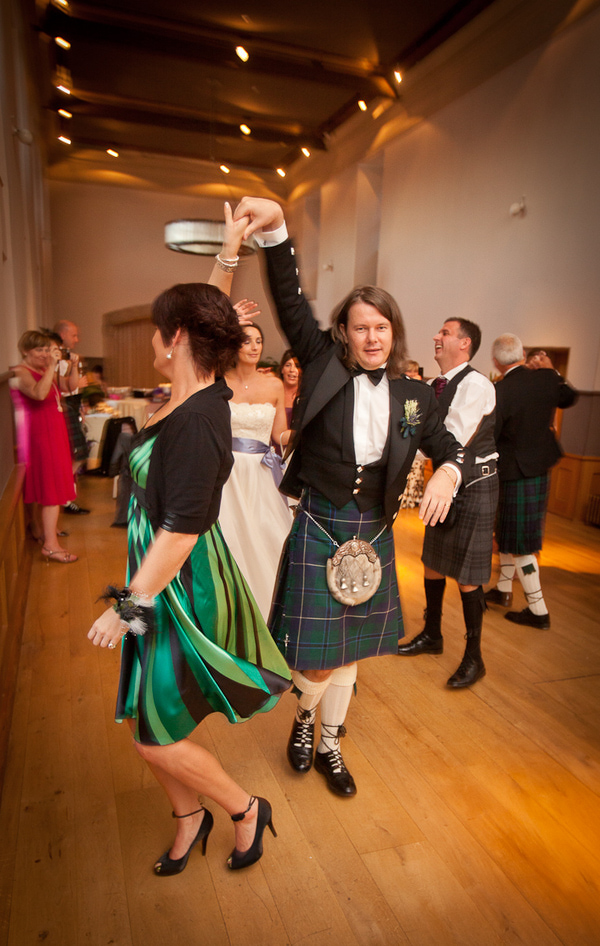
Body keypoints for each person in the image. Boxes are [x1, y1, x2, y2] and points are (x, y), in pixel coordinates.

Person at [228, 196, 464, 797]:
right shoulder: (320, 362)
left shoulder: (416, 395)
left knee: (350, 647)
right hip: (321, 520)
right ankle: (306, 717)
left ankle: (328, 740)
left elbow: (448, 445)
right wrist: (277, 230)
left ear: (393, 333)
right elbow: (289, 300)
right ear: (344, 332)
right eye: (361, 327)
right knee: (318, 652)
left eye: (381, 327)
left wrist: (448, 472)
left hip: (374, 529)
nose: (372, 336)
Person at [87, 275, 291, 876]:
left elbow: (181, 533)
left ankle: (245, 809)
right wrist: (225, 256)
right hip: (155, 578)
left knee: (152, 733)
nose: (155, 338)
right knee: (146, 715)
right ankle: (189, 816)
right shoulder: (190, 396)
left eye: (158, 329)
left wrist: (125, 606)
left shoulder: (201, 417)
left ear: (174, 337)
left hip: (176, 587)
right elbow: (199, 315)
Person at [397, 319, 498, 687]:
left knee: (468, 576)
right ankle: (432, 634)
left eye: (445, 333)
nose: (436, 337)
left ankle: (475, 657)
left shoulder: (477, 385)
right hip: (442, 482)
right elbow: (411, 430)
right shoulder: (429, 387)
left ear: (465, 343)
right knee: (433, 562)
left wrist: (411, 435)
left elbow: (451, 437)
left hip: (474, 484)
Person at [485, 334, 577, 628]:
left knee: (521, 542)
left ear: (495, 361)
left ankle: (538, 610)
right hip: (538, 468)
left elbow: (492, 435)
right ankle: (503, 590)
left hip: (514, 471)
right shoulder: (547, 378)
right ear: (523, 354)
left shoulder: (500, 390)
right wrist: (553, 371)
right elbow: (570, 397)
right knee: (508, 534)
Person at [217, 320, 293, 619]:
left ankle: (267, 609)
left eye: (258, 341)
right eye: (247, 340)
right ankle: (230, 607)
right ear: (234, 345)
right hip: (227, 472)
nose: (254, 346)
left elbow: (279, 434)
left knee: (267, 534)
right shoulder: (219, 382)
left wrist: (305, 434)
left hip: (261, 471)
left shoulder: (274, 385)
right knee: (230, 534)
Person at [10, 331, 78, 562]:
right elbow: (38, 394)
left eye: (47, 350)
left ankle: (43, 532)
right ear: (25, 351)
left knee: (51, 487)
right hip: (41, 437)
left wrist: (69, 367)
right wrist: (50, 367)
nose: (44, 354)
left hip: (53, 433)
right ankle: (51, 545)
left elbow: (68, 388)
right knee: (51, 490)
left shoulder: (41, 370)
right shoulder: (20, 372)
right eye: (39, 350)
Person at [53, 319, 90, 515]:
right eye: (74, 335)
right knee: (76, 454)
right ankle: (66, 497)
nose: (77, 339)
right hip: (64, 408)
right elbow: (63, 386)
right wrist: (76, 383)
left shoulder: (69, 357)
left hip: (73, 406)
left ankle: (67, 494)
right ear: (63, 335)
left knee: (79, 453)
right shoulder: (57, 357)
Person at [399, 360, 425, 509]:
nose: (413, 374)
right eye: (410, 371)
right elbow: (411, 419)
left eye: (415, 372)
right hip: (406, 433)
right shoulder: (405, 390)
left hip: (416, 434)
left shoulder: (420, 389)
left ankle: (412, 497)